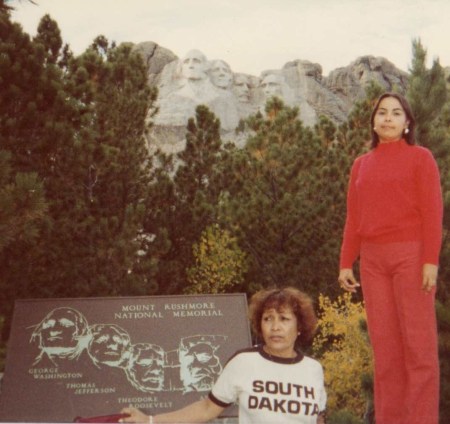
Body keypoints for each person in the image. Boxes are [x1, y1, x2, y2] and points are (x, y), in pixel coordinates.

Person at [338, 92, 442, 424]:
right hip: (372, 261)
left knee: (418, 349)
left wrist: (430, 260)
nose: (388, 118)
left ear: (407, 122)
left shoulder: (421, 158)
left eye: (396, 113)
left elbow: (432, 211)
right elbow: (353, 218)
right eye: (382, 112)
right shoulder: (361, 165)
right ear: (373, 121)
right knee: (386, 352)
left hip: (410, 257)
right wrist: (345, 262)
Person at [119, 287, 326, 423]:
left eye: (284, 319)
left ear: (300, 326)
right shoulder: (244, 362)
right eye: (268, 319)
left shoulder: (313, 369)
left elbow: (318, 419)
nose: (275, 327)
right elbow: (207, 408)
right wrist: (150, 421)